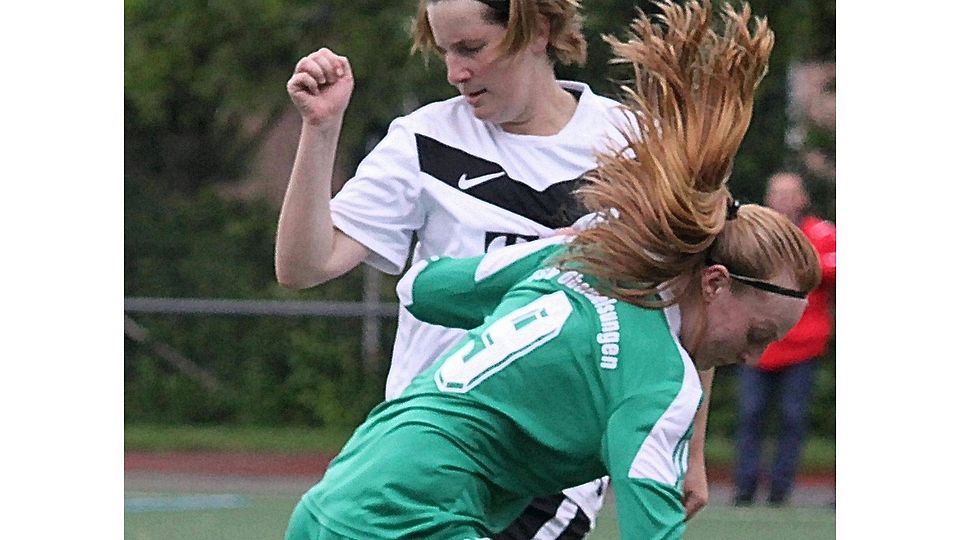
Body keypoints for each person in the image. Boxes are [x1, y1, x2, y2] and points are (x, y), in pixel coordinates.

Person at [284, 2, 807, 538]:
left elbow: (690, 299)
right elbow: (305, 266)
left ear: (536, 32)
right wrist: (320, 131)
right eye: (444, 52)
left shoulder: (634, 141)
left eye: (471, 48)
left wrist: (687, 448)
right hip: (425, 447)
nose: (454, 71)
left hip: (546, 476)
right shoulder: (422, 140)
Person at [732, 171, 837, 506]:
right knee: (750, 415)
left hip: (803, 345)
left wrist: (787, 263)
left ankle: (780, 489)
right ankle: (745, 487)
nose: (782, 199)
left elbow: (830, 270)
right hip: (757, 343)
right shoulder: (754, 232)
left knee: (793, 419)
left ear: (803, 198)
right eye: (776, 192)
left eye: (789, 193)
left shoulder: (821, 232)